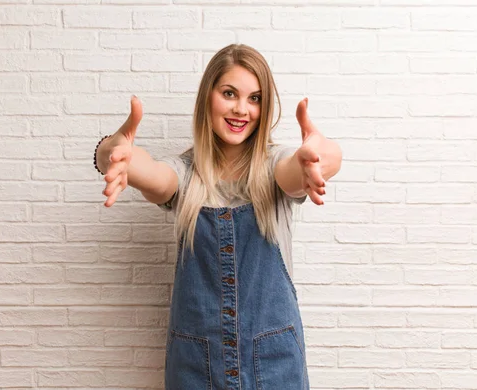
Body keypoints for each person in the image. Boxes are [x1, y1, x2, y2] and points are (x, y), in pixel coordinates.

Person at [94, 44, 342, 390]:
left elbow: (310, 163)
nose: (242, 109)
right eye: (230, 93)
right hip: (195, 367)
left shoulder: (277, 167)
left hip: (273, 365)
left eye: (255, 98)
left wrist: (319, 157)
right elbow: (151, 174)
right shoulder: (184, 174)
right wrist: (112, 152)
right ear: (207, 97)